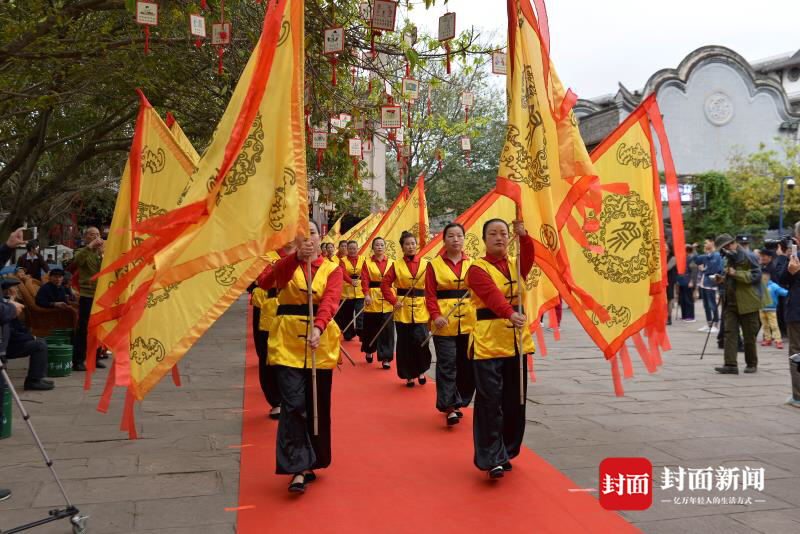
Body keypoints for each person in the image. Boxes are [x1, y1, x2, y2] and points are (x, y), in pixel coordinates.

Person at [261, 221, 342, 494]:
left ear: (321, 237)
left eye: (313, 232)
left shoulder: (332, 268)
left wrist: (319, 327)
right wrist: (295, 258)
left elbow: (331, 301)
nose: (308, 238)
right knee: (293, 403)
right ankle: (297, 467)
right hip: (286, 343)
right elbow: (265, 282)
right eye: (302, 235)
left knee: (316, 404)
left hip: (319, 343)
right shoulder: (284, 263)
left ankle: (314, 459)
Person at [465, 219, 535, 479]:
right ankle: (490, 457)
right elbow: (492, 295)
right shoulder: (476, 268)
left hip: (516, 343)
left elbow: (529, 259)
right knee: (490, 401)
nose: (499, 238)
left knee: (515, 400)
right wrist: (508, 313)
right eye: (493, 234)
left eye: (503, 233)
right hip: (488, 343)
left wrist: (524, 237)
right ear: (484, 239)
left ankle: (507, 450)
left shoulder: (516, 266)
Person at [425, 222, 475, 426]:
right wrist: (435, 315)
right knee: (447, 363)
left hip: (469, 322)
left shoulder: (473, 263)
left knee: (467, 364)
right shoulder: (434, 264)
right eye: (451, 236)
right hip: (443, 323)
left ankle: (460, 399)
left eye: (459, 236)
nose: (456, 239)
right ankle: (450, 406)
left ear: (464, 239)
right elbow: (429, 294)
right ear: (444, 240)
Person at [381, 231, 433, 387]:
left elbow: (432, 287)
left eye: (413, 244)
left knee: (421, 341)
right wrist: (393, 300)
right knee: (404, 344)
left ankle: (421, 371)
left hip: (421, 309)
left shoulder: (426, 264)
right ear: (402, 247)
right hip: (402, 310)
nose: (410, 247)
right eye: (407, 244)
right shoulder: (396, 265)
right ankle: (409, 375)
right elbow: (385, 285)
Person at [253, 242, 296, 420]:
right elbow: (261, 281)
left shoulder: (304, 254)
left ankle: (293, 396)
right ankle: (276, 400)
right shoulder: (265, 255)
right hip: (269, 309)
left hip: (296, 309)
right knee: (268, 356)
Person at [714, 233, 762, 374]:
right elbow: (730, 275)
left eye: (725, 247)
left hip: (747, 302)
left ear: (730, 244)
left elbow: (756, 276)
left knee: (749, 335)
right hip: (731, 302)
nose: (724, 251)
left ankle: (751, 363)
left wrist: (737, 274)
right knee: (729, 333)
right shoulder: (730, 258)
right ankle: (730, 364)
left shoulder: (749, 256)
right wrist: (722, 279)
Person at [1, 278, 54, 390]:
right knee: (40, 345)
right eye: (14, 288)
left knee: (40, 341)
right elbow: (11, 333)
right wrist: (30, 337)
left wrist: (29, 335)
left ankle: (38, 377)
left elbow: (18, 328)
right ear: (8, 291)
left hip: (9, 342)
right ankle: (33, 381)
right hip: (7, 345)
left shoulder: (9, 305)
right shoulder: (7, 307)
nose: (16, 290)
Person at [72, 227, 106, 371]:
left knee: (99, 328)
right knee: (84, 328)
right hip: (87, 295)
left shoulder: (102, 252)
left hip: (101, 295)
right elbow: (77, 262)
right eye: (93, 235)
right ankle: (78, 359)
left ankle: (95, 357)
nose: (97, 237)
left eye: (98, 234)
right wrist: (91, 247)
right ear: (86, 237)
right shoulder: (81, 251)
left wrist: (102, 254)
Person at [360, 237, 395, 368]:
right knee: (370, 328)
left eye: (382, 245)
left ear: (385, 247)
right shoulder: (367, 263)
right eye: (377, 245)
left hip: (388, 299)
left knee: (387, 330)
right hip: (373, 299)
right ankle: (369, 350)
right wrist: (366, 294)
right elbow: (364, 280)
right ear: (373, 248)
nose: (379, 247)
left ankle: (386, 358)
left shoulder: (392, 262)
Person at [335, 240, 365, 341]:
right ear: (347, 249)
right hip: (347, 291)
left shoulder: (363, 259)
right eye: (350, 248)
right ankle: (349, 333)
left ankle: (360, 329)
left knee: (359, 311)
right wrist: (350, 281)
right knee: (347, 314)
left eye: (354, 248)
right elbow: (342, 273)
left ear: (357, 249)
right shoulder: (342, 260)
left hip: (360, 290)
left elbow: (365, 273)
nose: (352, 250)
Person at [692, 238, 723, 332]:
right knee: (705, 305)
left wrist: (704, 269)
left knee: (712, 304)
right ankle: (709, 324)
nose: (704, 244)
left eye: (706, 242)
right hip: (704, 282)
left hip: (711, 282)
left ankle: (716, 325)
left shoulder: (717, 255)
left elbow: (716, 269)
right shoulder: (706, 255)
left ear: (712, 243)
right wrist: (694, 250)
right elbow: (697, 260)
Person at [760, 273, 787, 349]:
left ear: (768, 278)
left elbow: (782, 291)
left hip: (771, 310)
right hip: (761, 309)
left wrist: (790, 293)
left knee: (774, 326)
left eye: (765, 278)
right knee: (765, 326)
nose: (764, 279)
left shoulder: (773, 286)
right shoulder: (759, 286)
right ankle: (767, 339)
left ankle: (778, 340)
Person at [677, 244, 697, 321]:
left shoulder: (692, 259)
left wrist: (692, 281)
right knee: (682, 300)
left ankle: (690, 316)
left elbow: (694, 272)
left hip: (688, 281)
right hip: (682, 281)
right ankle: (684, 315)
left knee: (688, 299)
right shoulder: (683, 259)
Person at [665, 245, 677, 326]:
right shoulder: (660, 257)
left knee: (669, 299)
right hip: (662, 282)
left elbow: (667, 268)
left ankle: (669, 318)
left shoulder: (673, 258)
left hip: (670, 282)